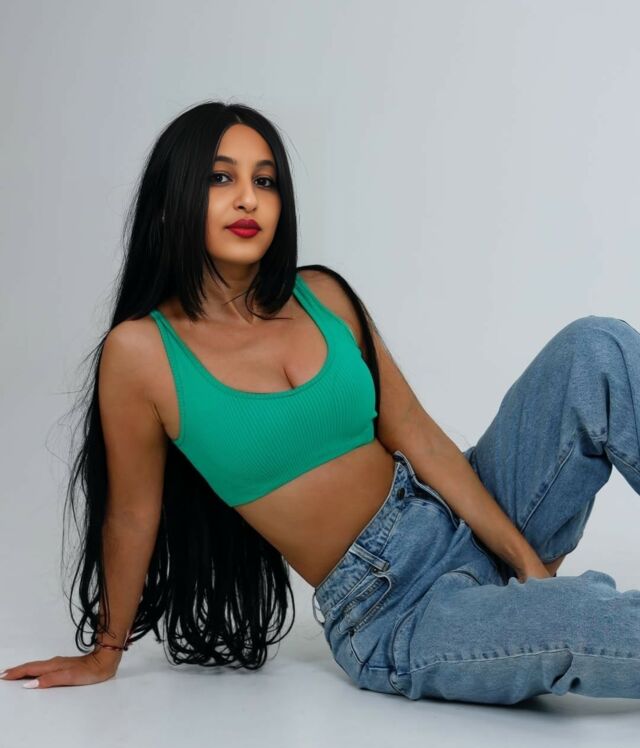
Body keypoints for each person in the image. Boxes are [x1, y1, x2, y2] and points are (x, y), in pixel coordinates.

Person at [2, 102, 639, 705]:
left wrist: (524, 564)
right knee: (583, 619)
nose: (248, 198)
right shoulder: (141, 352)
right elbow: (132, 515)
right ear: (171, 202)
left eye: (265, 180)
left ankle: (534, 605)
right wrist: (104, 653)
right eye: (221, 178)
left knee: (597, 348)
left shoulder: (323, 295)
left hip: (464, 518)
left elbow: (416, 434)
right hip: (397, 610)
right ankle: (545, 618)